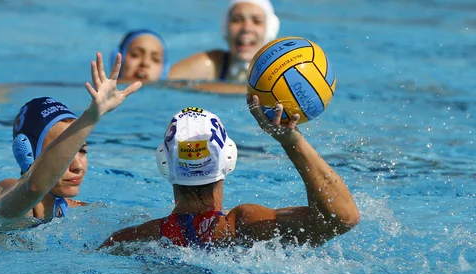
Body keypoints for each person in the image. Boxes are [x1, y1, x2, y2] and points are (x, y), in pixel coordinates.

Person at [100, 96, 360, 248]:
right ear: (229, 158)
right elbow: (342, 219)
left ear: (163, 162)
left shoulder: (132, 239)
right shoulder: (245, 228)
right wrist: (292, 142)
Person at [0, 52, 142, 221]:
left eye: (81, 150)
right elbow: (34, 187)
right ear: (27, 154)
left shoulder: (72, 211)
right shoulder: (3, 192)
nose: (78, 166)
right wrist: (91, 116)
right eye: (65, 153)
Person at [168, 0, 280, 85]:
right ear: (225, 27)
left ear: (269, 31)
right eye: (237, 20)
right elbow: (159, 80)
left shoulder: (280, 71)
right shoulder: (213, 64)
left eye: (257, 21)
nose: (246, 28)